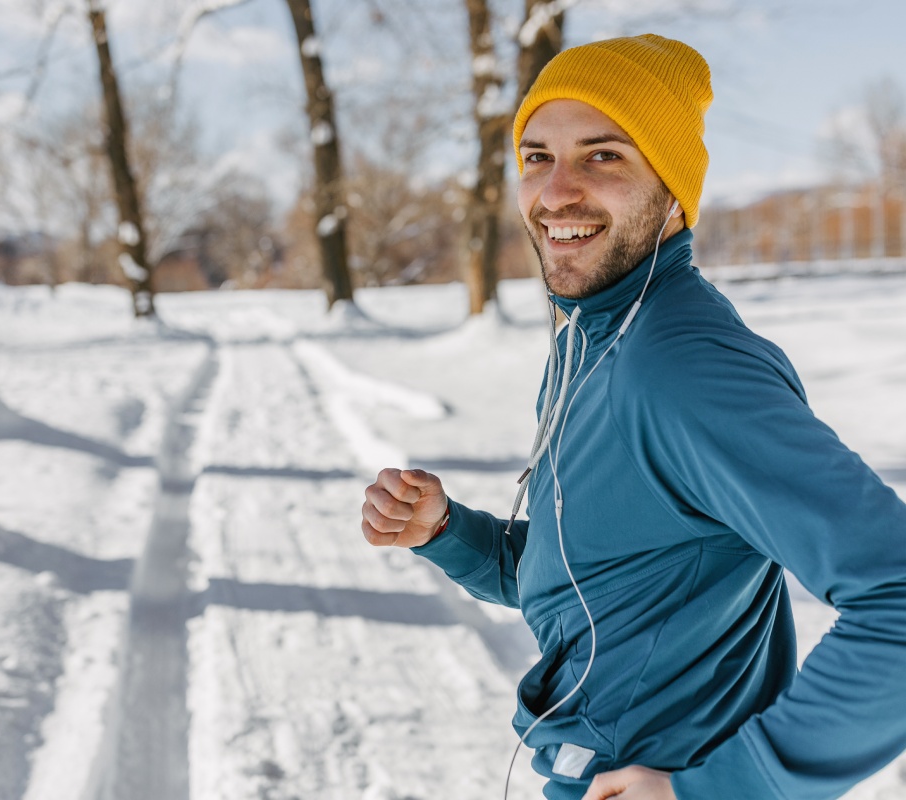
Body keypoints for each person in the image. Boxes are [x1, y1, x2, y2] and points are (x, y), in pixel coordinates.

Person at [360, 33, 906, 800]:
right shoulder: (592, 337)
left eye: (603, 156)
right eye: (537, 157)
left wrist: (721, 791)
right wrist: (452, 536)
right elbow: (603, 575)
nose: (555, 192)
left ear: (674, 188)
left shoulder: (679, 369)